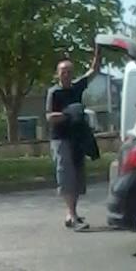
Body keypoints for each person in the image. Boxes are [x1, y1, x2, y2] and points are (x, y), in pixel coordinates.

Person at [45, 47, 103, 229]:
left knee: (77, 177)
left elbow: (94, 71)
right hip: (61, 139)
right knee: (66, 176)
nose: (67, 75)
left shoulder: (77, 87)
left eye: (70, 72)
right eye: (63, 72)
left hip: (77, 138)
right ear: (58, 74)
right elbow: (49, 117)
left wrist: (98, 51)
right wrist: (69, 114)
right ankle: (72, 215)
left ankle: (72, 214)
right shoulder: (54, 93)